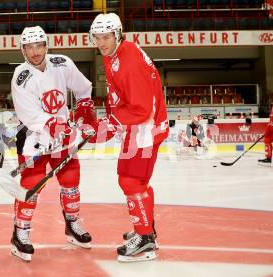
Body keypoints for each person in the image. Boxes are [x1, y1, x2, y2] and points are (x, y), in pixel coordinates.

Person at [10, 26, 94, 262]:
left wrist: (85, 109)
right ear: (22, 50)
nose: (35, 52)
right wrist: (58, 127)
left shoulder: (62, 63)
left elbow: (83, 89)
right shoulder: (21, 76)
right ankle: (21, 233)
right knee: (32, 184)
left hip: (62, 135)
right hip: (33, 137)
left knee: (70, 180)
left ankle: (72, 224)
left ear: (46, 45)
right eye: (29, 47)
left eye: (39, 46)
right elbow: (30, 116)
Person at [89, 13, 169, 262]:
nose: (102, 42)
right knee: (138, 182)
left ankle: (145, 239)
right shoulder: (115, 54)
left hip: (144, 128)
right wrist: (109, 123)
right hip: (139, 127)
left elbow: (141, 109)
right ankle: (146, 229)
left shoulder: (128, 62)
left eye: (106, 37)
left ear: (117, 34)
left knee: (130, 181)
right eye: (97, 37)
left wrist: (110, 123)